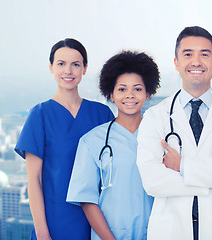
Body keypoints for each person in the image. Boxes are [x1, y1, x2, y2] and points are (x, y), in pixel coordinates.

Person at [136, 26, 212, 240]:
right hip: (172, 229)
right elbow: (152, 181)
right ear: (176, 63)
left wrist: (182, 165)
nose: (196, 62)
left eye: (204, 54)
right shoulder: (155, 116)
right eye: (188, 54)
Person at [15, 38, 114, 240]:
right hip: (53, 223)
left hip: (97, 222)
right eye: (61, 64)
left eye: (75, 64)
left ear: (85, 69)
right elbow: (34, 179)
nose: (68, 71)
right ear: (51, 67)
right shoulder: (40, 115)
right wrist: (43, 233)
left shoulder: (101, 114)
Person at [66, 50, 160, 240]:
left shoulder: (161, 136)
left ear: (148, 93)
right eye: (122, 89)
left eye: (138, 89)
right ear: (111, 93)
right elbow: (87, 200)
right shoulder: (92, 141)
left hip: (158, 233)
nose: (130, 95)